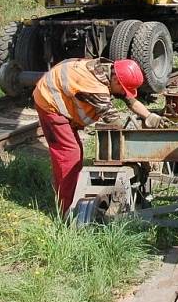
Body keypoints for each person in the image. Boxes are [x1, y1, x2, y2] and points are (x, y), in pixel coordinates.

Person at [33, 57, 165, 215]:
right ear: (115, 79)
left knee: (75, 152)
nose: (123, 93)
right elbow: (115, 122)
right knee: (69, 154)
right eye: (123, 88)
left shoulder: (110, 70)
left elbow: (129, 99)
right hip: (49, 102)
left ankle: (68, 194)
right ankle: (66, 209)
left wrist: (149, 116)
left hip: (59, 92)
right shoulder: (95, 88)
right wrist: (138, 149)